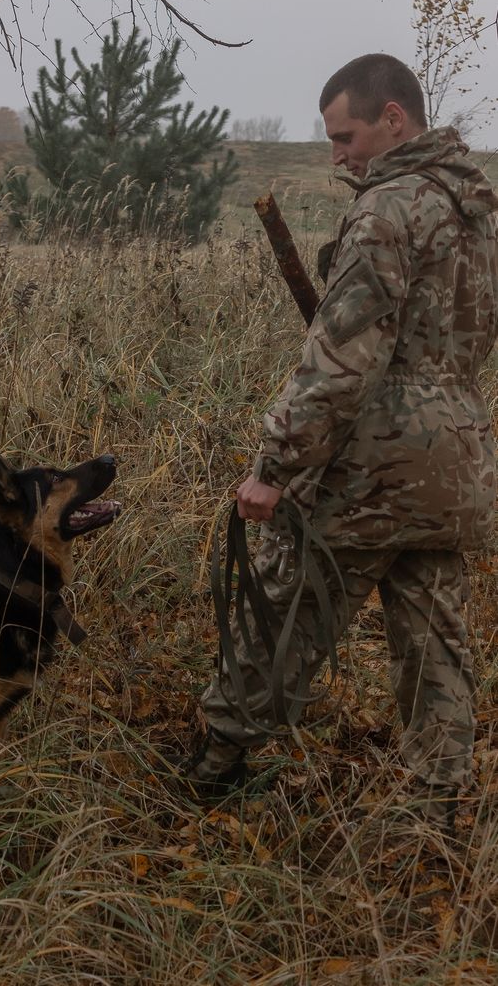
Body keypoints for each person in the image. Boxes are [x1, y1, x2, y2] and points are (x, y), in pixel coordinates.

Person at [183, 54, 498, 832]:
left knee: (286, 605)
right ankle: (436, 800)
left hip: (371, 462)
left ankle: (213, 762)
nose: (338, 154)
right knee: (434, 633)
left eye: (345, 135)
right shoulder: (477, 209)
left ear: (393, 118)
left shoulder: (385, 210)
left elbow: (342, 357)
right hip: (454, 462)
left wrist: (274, 468)